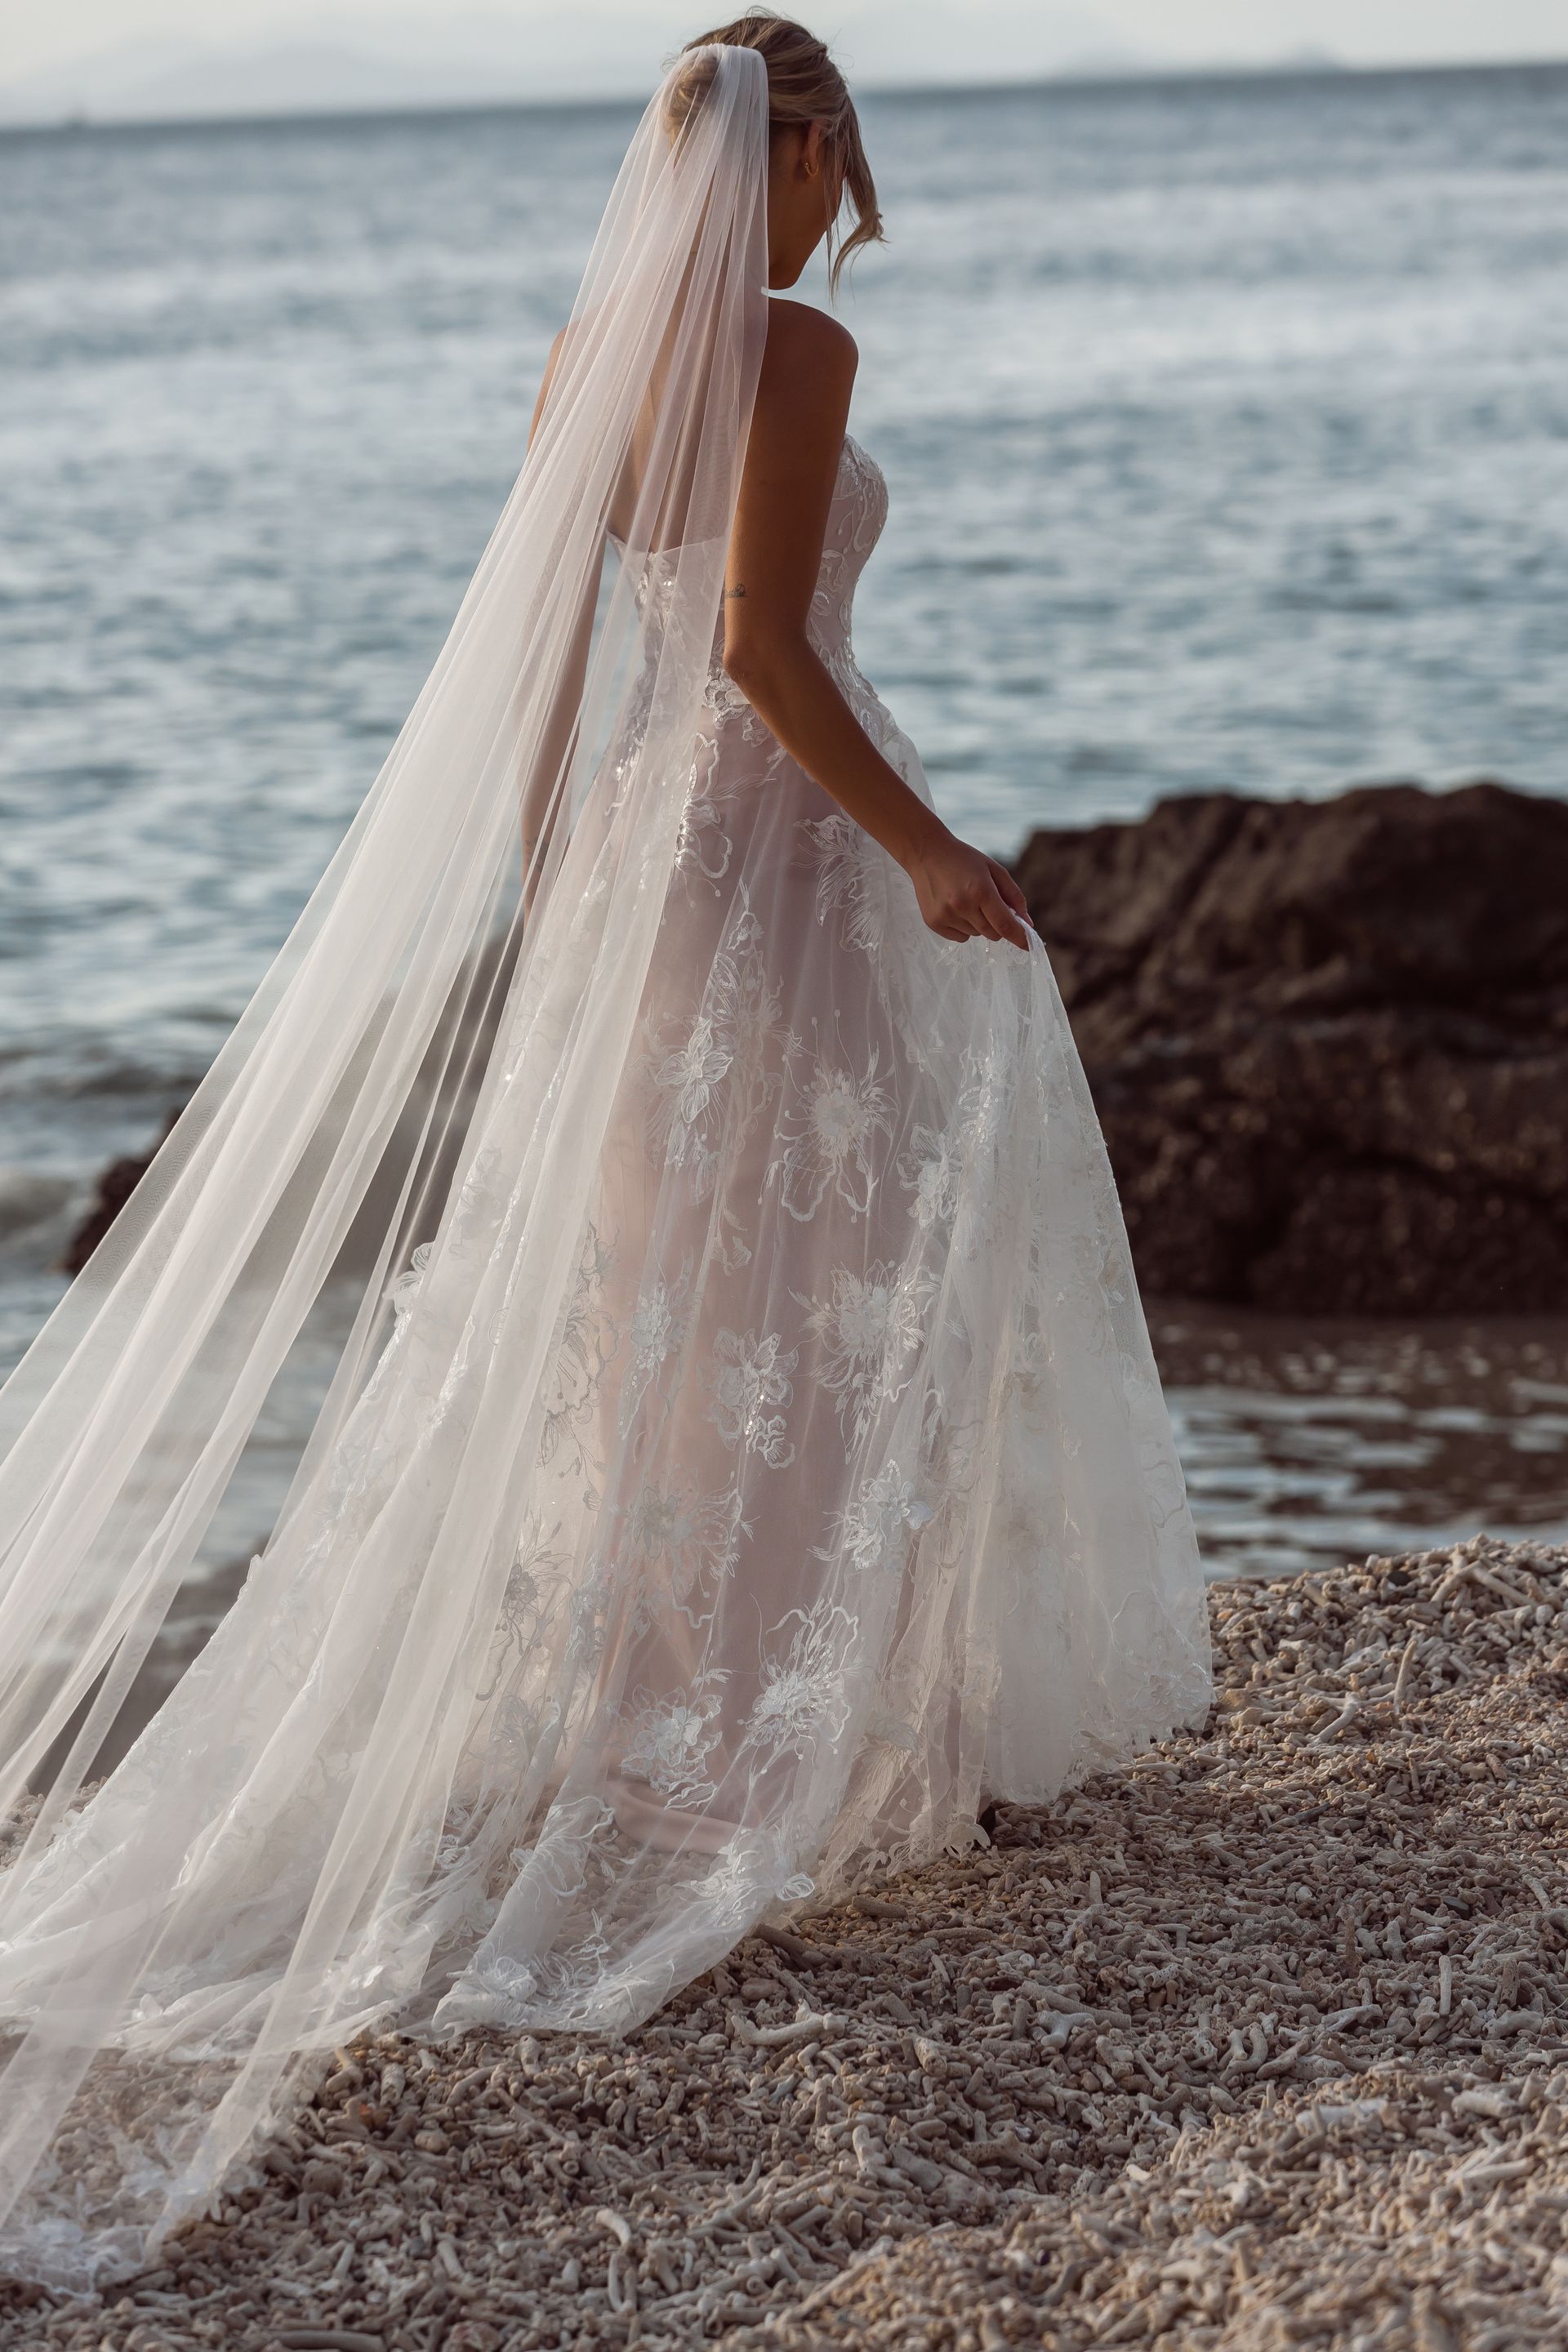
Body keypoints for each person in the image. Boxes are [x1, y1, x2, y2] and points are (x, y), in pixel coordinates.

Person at [0, 13, 1211, 2294]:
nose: (839, 177)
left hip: (635, 887)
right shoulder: (803, 346)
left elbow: (565, 671)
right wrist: (940, 852)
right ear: (814, 146)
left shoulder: (589, 353)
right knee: (827, 1304)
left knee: (673, 1331)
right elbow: (764, 645)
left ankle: (679, 1739)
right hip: (780, 870)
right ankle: (776, 1756)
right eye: (835, 137)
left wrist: (560, 900)